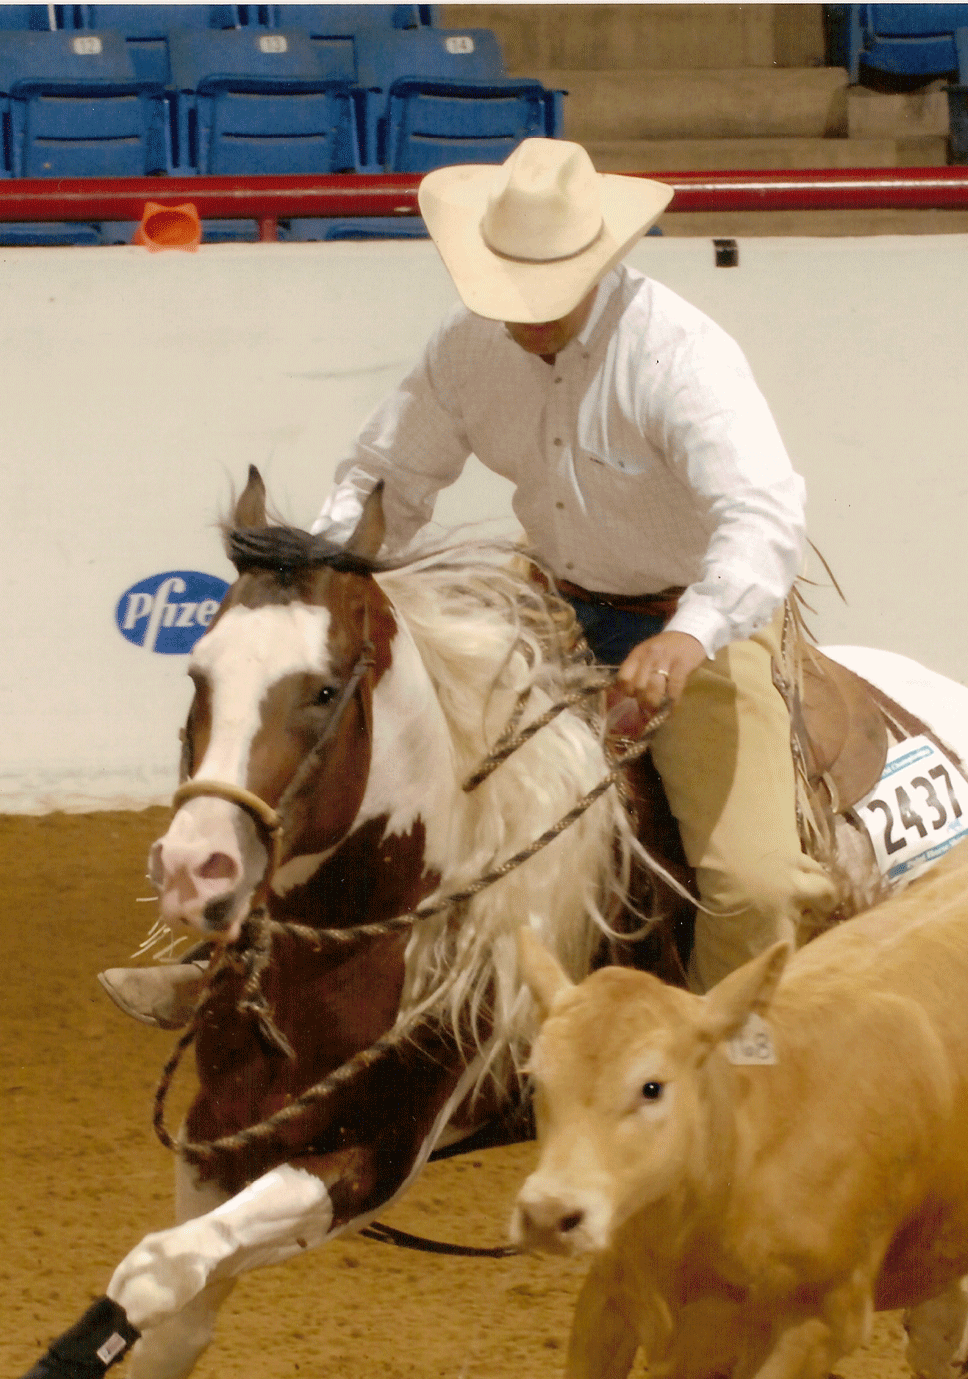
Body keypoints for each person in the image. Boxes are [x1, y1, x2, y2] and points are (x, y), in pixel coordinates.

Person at [311, 136, 836, 994]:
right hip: (546, 607)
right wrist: (322, 573)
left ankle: (730, 1062)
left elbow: (762, 515)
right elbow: (387, 480)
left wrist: (690, 638)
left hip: (690, 623)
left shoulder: (677, 355)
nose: (519, 310)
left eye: (541, 288)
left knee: (756, 885)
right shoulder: (466, 347)